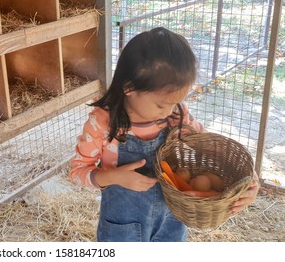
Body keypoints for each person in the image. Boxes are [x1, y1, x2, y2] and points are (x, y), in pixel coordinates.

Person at [70, 27, 259, 242]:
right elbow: (77, 172)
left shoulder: (176, 117)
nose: (169, 111)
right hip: (122, 227)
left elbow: (214, 150)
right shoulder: (103, 123)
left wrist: (250, 182)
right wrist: (114, 177)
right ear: (129, 89)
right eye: (161, 104)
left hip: (171, 223)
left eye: (175, 103)